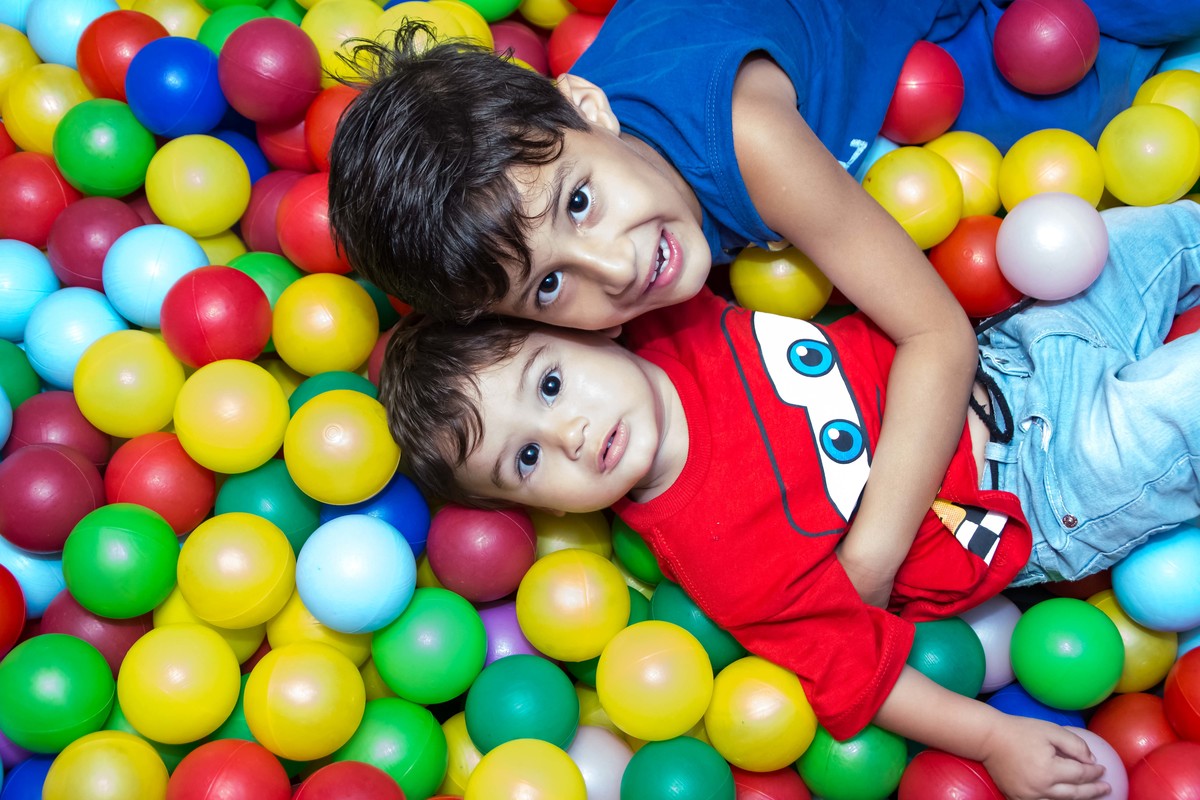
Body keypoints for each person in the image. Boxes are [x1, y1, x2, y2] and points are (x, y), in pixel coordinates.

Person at [327, 3, 1200, 696]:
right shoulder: (596, 305)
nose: (616, 268)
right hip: (916, 58)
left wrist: (868, 563)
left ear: (587, 104)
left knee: (1089, 39)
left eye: (580, 203)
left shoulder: (744, 139)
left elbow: (937, 334)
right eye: (550, 286)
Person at [379, 200, 1200, 800]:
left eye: (551, 384)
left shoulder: (672, 317)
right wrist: (994, 738)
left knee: (1158, 236)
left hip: (1014, 345)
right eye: (526, 459)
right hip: (1039, 490)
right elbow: (859, 673)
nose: (569, 433)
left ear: (586, 326)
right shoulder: (723, 559)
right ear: (545, 510)